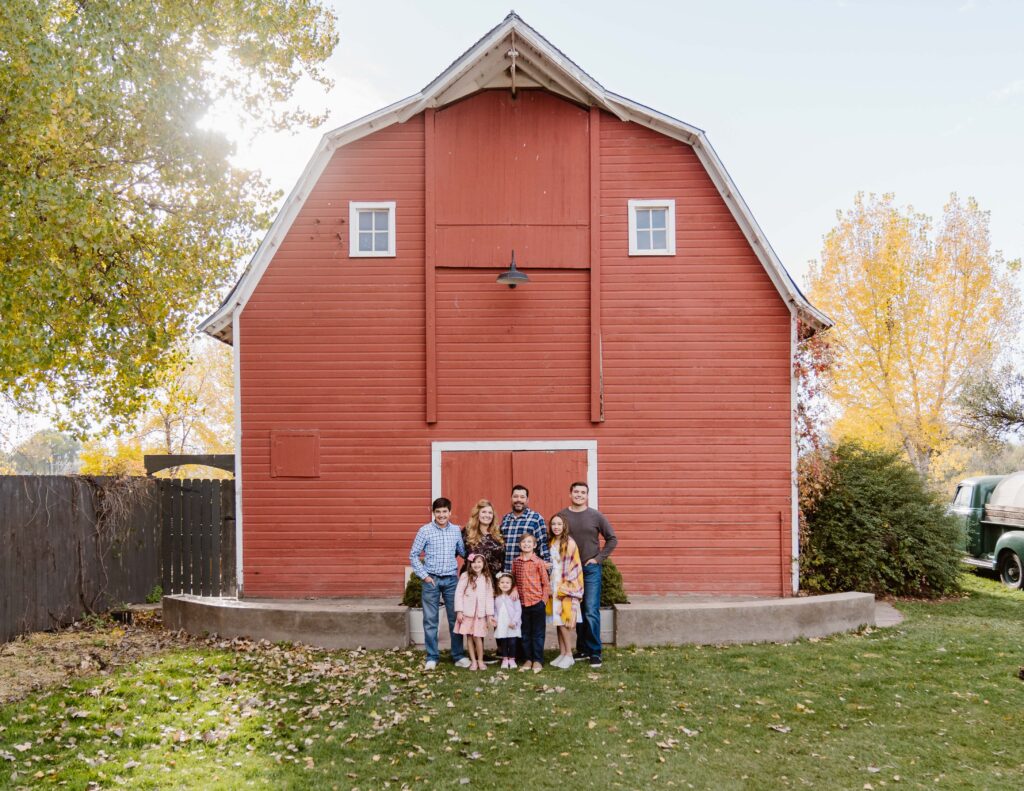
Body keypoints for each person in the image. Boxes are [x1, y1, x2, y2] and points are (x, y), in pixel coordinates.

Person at [409, 497, 472, 671]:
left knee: (455, 618)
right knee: (430, 620)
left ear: (450, 512)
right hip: (432, 580)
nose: (442, 515)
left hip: (451, 580)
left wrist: (475, 554)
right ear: (433, 513)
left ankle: (458, 655)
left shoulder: (456, 530)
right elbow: (413, 555)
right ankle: (432, 656)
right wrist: (424, 576)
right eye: (438, 512)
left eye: (445, 511)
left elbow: (462, 551)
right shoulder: (425, 531)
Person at [559, 481, 617, 668]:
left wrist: (598, 559)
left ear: (587, 496)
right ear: (570, 494)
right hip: (570, 571)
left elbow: (612, 539)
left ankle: (595, 651)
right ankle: (582, 649)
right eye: (576, 492)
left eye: (583, 492)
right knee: (577, 610)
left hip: (590, 569)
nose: (579, 495)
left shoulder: (596, 516)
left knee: (591, 610)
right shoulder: (562, 516)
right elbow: (554, 537)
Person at [546, 513, 583, 669]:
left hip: (565, 586)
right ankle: (562, 653)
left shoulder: (569, 543)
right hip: (553, 583)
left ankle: (569, 654)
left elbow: (574, 566)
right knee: (557, 621)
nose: (556, 527)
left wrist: (566, 587)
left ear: (564, 526)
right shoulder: (551, 542)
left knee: (564, 620)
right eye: (553, 524)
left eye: (559, 524)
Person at [511, 533, 550, 674]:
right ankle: (528, 659)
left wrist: (543, 601)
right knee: (525, 632)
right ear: (519, 545)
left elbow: (546, 584)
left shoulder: (538, 562)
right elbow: (513, 579)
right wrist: (514, 589)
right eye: (523, 542)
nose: (526, 544)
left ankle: (538, 659)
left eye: (529, 542)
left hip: (537, 602)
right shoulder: (516, 562)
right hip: (522, 604)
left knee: (538, 633)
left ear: (534, 545)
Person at [455, 554, 496, 671]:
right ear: (470, 564)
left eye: (479, 562)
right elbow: (459, 594)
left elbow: (489, 597)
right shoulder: (465, 576)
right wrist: (459, 611)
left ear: (484, 564)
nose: (476, 565)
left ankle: (480, 660)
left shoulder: (486, 578)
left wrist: (490, 614)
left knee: (478, 636)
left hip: (480, 614)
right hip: (467, 612)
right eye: (474, 562)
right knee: (469, 636)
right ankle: (473, 661)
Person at [500, 484, 550, 573]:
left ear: (527, 500)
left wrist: (546, 570)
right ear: (511, 499)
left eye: (522, 497)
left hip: (528, 573)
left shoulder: (536, 518)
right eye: (515, 496)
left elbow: (543, 545)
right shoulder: (506, 519)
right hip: (508, 572)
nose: (518, 500)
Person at [462, 499, 505, 580]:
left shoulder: (499, 532)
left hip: (494, 579)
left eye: (490, 513)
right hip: (473, 579)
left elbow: (503, 558)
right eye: (484, 512)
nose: (487, 515)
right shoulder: (468, 531)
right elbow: (461, 552)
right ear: (477, 514)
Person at [493, 572, 522, 670]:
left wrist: (514, 622)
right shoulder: (497, 598)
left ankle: (512, 659)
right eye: (502, 582)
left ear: (511, 584)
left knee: (512, 642)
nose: (505, 584)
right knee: (503, 642)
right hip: (502, 623)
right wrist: (495, 620)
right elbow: (495, 611)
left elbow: (518, 610)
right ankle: (505, 659)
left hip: (512, 623)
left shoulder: (514, 597)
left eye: (507, 583)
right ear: (498, 584)